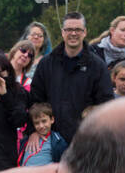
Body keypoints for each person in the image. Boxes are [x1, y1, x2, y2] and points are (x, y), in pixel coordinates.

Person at [29, 13, 114, 146]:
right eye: (69, 29)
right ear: (63, 32)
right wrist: (33, 130)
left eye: (78, 30)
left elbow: (106, 104)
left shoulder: (97, 66)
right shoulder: (47, 64)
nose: (73, 33)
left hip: (85, 141)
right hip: (50, 140)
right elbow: (35, 101)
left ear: (85, 32)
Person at [18, 102, 66, 167]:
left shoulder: (58, 141)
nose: (41, 126)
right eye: (37, 123)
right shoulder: (26, 140)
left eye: (44, 121)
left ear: (52, 119)